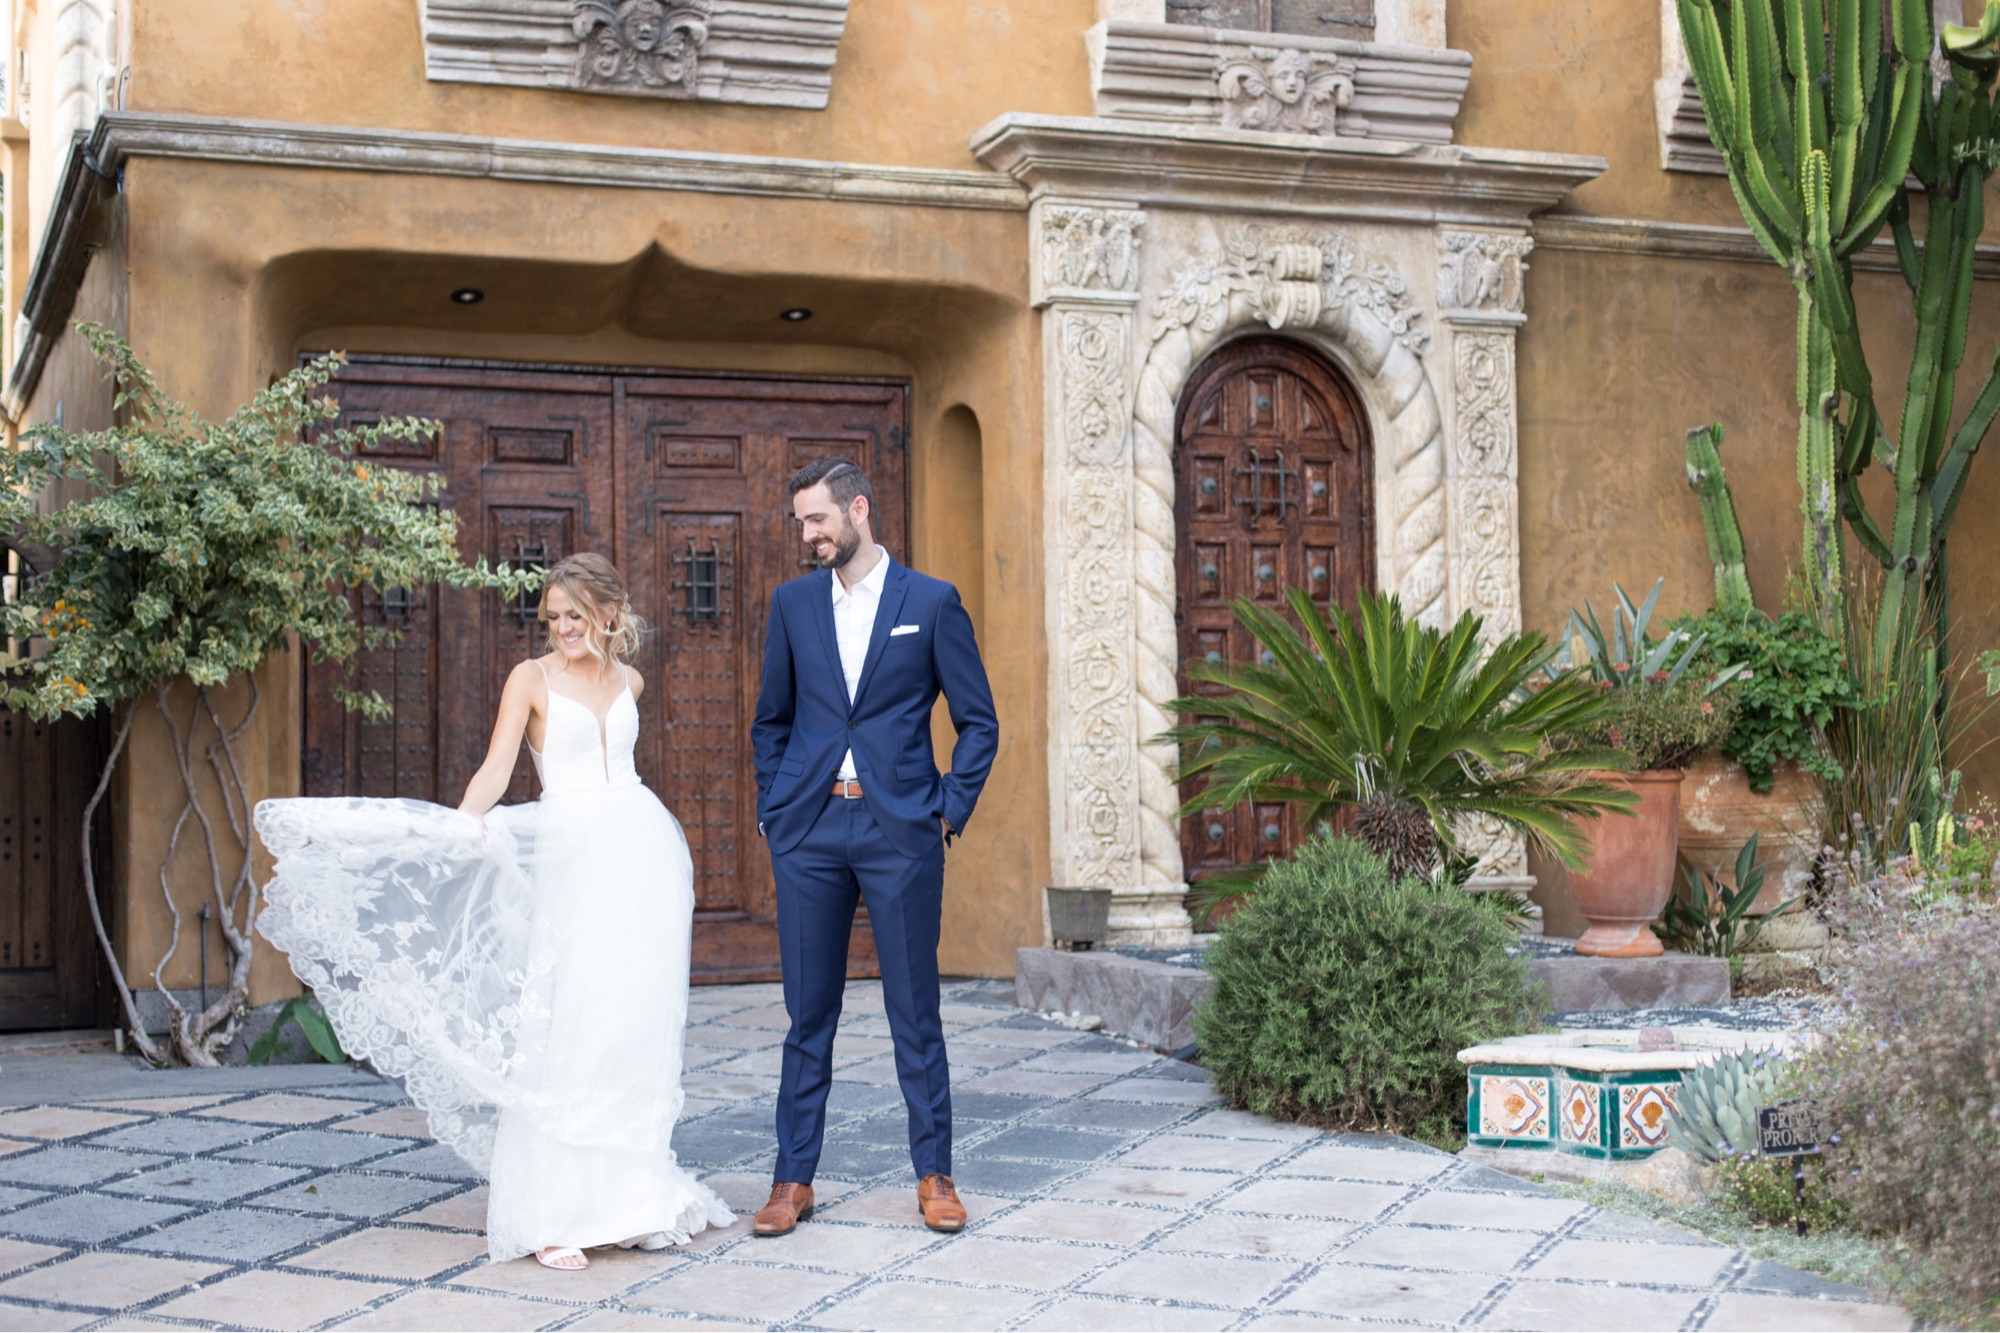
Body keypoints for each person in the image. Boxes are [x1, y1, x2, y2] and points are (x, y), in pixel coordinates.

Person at [255, 554, 732, 1271]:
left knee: (630, 1023)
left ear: (608, 612)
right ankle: (554, 1213)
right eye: (554, 617)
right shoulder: (530, 679)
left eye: (576, 615)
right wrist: (459, 825)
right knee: (569, 1022)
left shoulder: (629, 679)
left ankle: (631, 1198)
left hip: (643, 857)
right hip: (569, 857)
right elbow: (496, 766)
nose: (564, 628)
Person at [750, 458, 999, 1237]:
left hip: (902, 831)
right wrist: (775, 808)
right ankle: (792, 1179)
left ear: (858, 509)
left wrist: (947, 812)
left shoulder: (930, 602)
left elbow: (979, 720)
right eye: (800, 522)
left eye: (817, 518)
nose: (808, 533)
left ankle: (935, 1174)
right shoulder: (792, 605)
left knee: (913, 1010)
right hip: (812, 831)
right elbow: (772, 720)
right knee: (807, 1014)